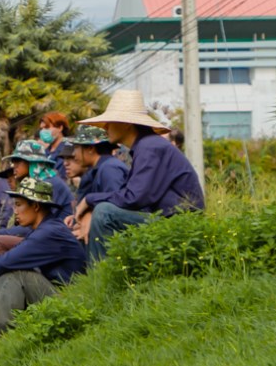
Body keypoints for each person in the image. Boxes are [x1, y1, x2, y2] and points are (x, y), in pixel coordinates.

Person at [73, 90, 205, 261]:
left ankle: (99, 281)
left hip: (181, 225)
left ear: (127, 123)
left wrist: (90, 200)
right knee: (101, 211)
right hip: (168, 219)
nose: (105, 128)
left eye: (110, 122)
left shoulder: (150, 147)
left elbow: (134, 198)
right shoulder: (146, 146)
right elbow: (134, 197)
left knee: (104, 213)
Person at [0, 177, 88, 340]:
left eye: (18, 205)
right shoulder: (42, 228)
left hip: (70, 300)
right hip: (54, 293)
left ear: (36, 206)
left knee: (17, 275)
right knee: (2, 270)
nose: (15, 211)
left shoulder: (50, 232)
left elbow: (12, 258)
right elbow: (15, 254)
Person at [67, 125, 128, 216]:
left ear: (91, 148)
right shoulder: (100, 169)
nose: (74, 154)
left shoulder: (110, 168)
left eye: (76, 147)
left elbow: (115, 209)